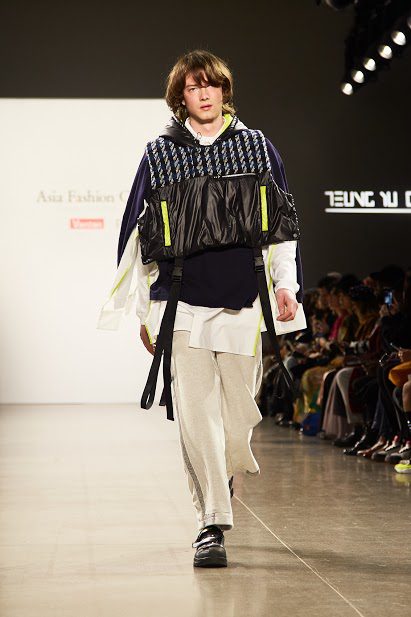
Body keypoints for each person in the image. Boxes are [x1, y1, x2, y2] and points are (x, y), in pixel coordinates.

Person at [97, 50, 306, 567]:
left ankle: (222, 475)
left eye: (212, 84)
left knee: (237, 419)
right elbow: (137, 238)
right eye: (194, 87)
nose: (205, 93)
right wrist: (145, 312)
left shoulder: (257, 147)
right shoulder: (160, 154)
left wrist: (286, 285)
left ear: (224, 90)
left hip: (243, 300)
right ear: (181, 97)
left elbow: (282, 226)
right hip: (181, 301)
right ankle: (211, 523)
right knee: (195, 418)